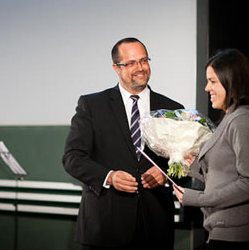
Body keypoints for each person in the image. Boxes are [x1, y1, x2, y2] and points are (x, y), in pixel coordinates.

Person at [62, 37, 184, 249]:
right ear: (116, 68)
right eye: (131, 63)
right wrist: (109, 176)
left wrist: (165, 173)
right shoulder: (92, 105)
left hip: (155, 228)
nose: (140, 68)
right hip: (105, 227)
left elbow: (185, 161)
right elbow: (72, 158)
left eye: (144, 61)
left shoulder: (172, 109)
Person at [173, 48, 249, 250]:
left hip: (236, 232)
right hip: (223, 229)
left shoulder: (241, 120)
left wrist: (197, 198)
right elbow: (225, 175)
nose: (207, 88)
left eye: (213, 81)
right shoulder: (232, 117)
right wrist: (190, 165)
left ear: (231, 81)